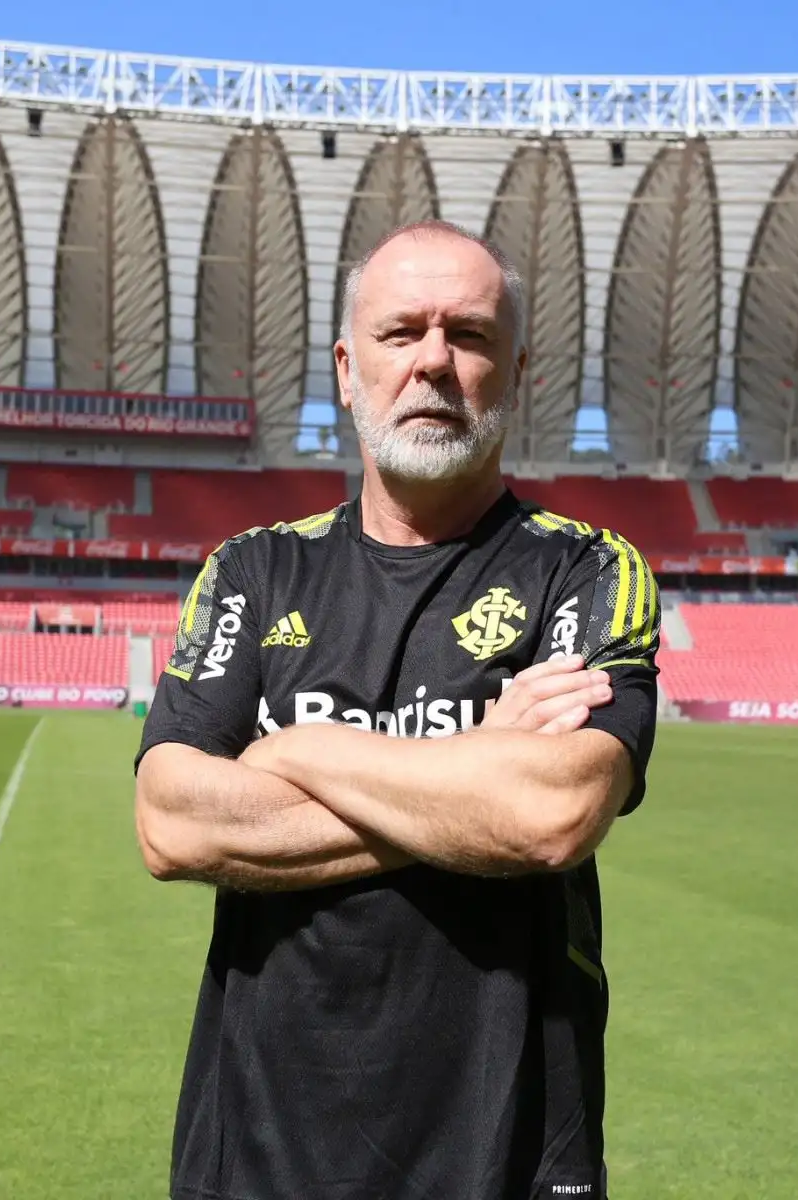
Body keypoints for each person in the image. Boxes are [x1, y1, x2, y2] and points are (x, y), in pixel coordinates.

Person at [133, 220, 661, 1200]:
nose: (433, 361)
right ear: (347, 369)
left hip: (507, 1156)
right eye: (400, 332)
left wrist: (296, 749)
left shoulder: (587, 571)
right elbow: (172, 822)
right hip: (255, 1158)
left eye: (469, 334)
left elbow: (549, 814)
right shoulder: (252, 571)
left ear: (516, 372)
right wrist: (477, 768)